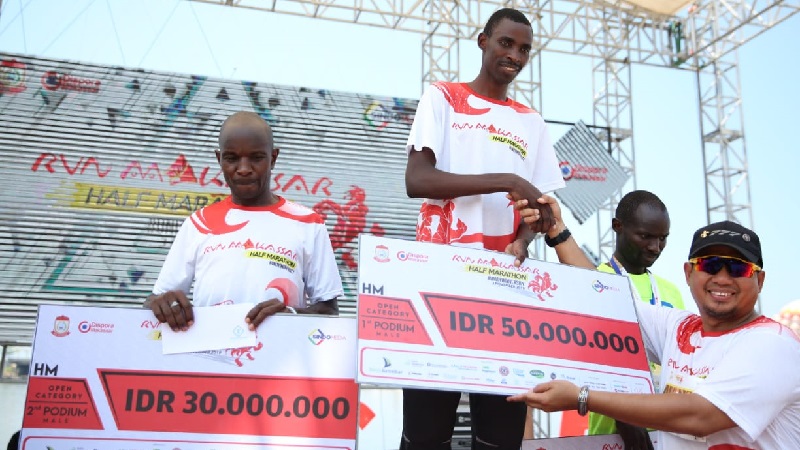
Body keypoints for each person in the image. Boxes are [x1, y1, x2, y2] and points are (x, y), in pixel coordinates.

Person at [509, 196, 800, 449]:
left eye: (738, 268)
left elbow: (701, 416)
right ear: (689, 273)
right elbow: (601, 298)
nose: (722, 278)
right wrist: (557, 230)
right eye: (710, 265)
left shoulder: (774, 344)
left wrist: (583, 397)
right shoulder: (679, 328)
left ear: (760, 280)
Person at [401, 7, 566, 450]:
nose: (515, 55)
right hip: (438, 288)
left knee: (499, 439)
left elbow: (539, 213)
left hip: (504, 298)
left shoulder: (531, 122)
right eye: (506, 43)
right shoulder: (443, 97)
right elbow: (417, 180)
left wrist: (524, 238)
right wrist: (507, 180)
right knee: (424, 438)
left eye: (524, 49)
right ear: (483, 41)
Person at [144, 111, 343, 331]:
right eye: (232, 158)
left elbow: (329, 311)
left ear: (273, 158)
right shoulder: (198, 223)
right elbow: (154, 301)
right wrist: (164, 305)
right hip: (210, 351)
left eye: (256, 158)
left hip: (282, 351)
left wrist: (291, 315)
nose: (244, 169)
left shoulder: (308, 223)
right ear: (219, 159)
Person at [590, 190, 685, 448]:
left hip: (666, 434)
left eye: (663, 238)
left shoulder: (671, 291)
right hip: (611, 435)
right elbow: (591, 358)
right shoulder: (595, 280)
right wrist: (624, 414)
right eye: (645, 236)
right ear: (617, 226)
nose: (655, 247)